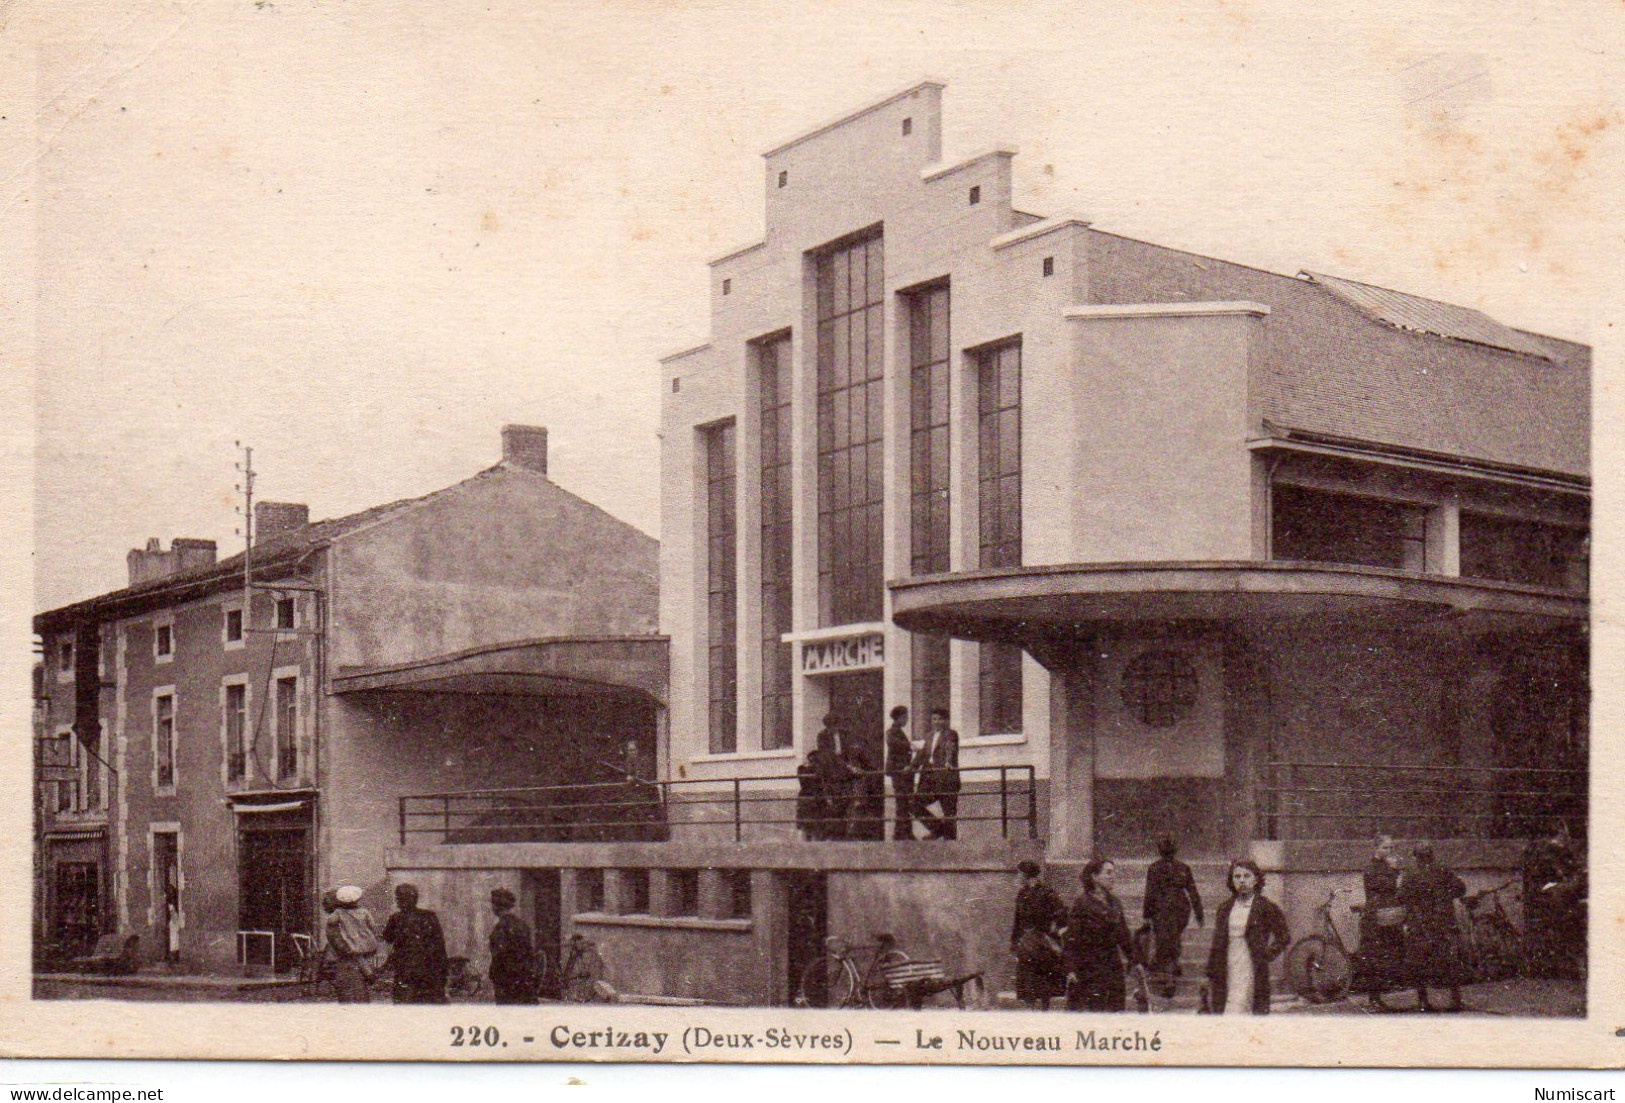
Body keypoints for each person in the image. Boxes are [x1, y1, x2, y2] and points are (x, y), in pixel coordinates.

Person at [1205, 859, 1290, 1015]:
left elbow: (1284, 936)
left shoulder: (1265, 907)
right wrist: (1211, 972)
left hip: (1251, 964)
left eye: (1246, 876)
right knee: (1225, 1006)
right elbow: (1217, 942)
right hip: (1227, 962)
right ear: (1232, 881)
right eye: (1237, 877)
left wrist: (1267, 954)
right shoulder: (1224, 908)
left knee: (1241, 1005)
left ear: (1256, 879)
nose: (1242, 880)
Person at [1398, 841, 1468, 1012]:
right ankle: (1455, 999)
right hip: (1443, 921)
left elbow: (1401, 896)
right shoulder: (1443, 869)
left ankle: (1423, 1001)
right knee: (1449, 960)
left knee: (1419, 962)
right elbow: (1460, 889)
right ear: (1432, 855)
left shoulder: (1409, 874)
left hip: (1420, 923)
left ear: (1415, 857)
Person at [1064, 858, 1136, 1012]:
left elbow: (1123, 935)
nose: (1113, 876)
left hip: (1113, 967)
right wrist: (1070, 969)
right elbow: (1072, 939)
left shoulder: (1115, 902)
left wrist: (1135, 960)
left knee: (1114, 1011)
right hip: (1090, 968)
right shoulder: (1082, 903)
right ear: (1094, 877)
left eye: (1114, 872)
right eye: (1108, 872)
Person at [1143, 837, 1204, 983]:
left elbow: (1150, 892)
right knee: (1173, 935)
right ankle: (1171, 963)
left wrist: (1147, 914)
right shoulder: (1183, 867)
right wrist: (1199, 914)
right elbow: (1193, 892)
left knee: (1163, 936)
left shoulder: (1154, 868)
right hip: (1180, 907)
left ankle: (1166, 967)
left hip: (1162, 907)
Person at [1010, 859, 1066, 1010]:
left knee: (1043, 982)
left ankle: (1044, 1010)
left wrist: (1053, 930)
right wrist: (1015, 942)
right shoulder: (1022, 894)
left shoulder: (1047, 892)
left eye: (1020, 874)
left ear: (1027, 875)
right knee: (1027, 981)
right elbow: (1018, 919)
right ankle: (1031, 1010)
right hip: (1026, 943)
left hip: (1042, 943)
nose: (1018, 877)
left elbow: (1061, 913)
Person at [1522, 828, 1578, 978]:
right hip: (1548, 896)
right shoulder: (1549, 853)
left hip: (1540, 896)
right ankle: (1556, 967)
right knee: (1556, 929)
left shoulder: (1536, 851)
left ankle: (1546, 967)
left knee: (1546, 931)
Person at [380, 883, 449, 1004]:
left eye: (399, 898)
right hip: (428, 970)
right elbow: (439, 945)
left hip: (406, 971)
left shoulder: (396, 918)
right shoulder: (429, 916)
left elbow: (387, 938)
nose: (397, 901)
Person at [1358, 835, 1404, 1011]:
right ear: (1376, 848)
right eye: (1385, 848)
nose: (1389, 851)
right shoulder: (1371, 868)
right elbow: (1387, 886)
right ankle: (1373, 998)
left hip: (1387, 916)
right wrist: (1394, 871)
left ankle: (1380, 996)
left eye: (1391, 848)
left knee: (1387, 955)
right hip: (1375, 918)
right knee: (1374, 958)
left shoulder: (1386, 867)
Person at [912, 707, 960, 840]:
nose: (936, 722)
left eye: (940, 719)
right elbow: (922, 754)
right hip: (930, 780)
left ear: (946, 721)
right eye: (934, 719)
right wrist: (911, 767)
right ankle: (938, 829)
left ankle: (950, 847)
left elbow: (950, 748)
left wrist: (948, 762)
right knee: (914, 804)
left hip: (946, 779)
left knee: (949, 813)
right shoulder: (929, 736)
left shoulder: (951, 734)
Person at [327, 884, 380, 1004]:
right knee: (361, 962)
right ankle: (369, 973)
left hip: (351, 944)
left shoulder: (338, 913)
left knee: (355, 959)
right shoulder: (364, 912)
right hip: (365, 943)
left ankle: (369, 973)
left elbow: (331, 922)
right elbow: (372, 926)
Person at [487, 888, 538, 1005]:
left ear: (496, 906)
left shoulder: (501, 927)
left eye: (493, 903)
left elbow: (500, 956)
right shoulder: (521, 924)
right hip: (524, 979)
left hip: (507, 982)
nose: (492, 907)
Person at [843, 711, 886, 841]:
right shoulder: (851, 744)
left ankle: (865, 833)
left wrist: (875, 769)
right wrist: (852, 768)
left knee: (867, 806)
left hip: (870, 780)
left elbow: (869, 762)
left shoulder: (867, 743)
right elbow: (847, 761)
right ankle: (853, 832)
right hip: (857, 780)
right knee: (858, 805)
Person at [807, 718, 852, 840]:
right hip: (831, 770)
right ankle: (832, 833)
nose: (833, 729)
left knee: (844, 801)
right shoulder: (822, 736)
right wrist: (841, 764)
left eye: (835, 726)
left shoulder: (844, 734)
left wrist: (848, 764)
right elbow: (826, 754)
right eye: (830, 727)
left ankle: (841, 832)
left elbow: (848, 751)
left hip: (843, 771)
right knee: (831, 803)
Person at [884, 705, 918, 841]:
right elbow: (893, 743)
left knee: (904, 802)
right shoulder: (892, 732)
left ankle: (902, 832)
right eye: (905, 717)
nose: (907, 720)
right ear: (898, 718)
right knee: (902, 802)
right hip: (899, 772)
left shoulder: (898, 731)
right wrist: (909, 746)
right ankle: (902, 833)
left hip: (904, 772)